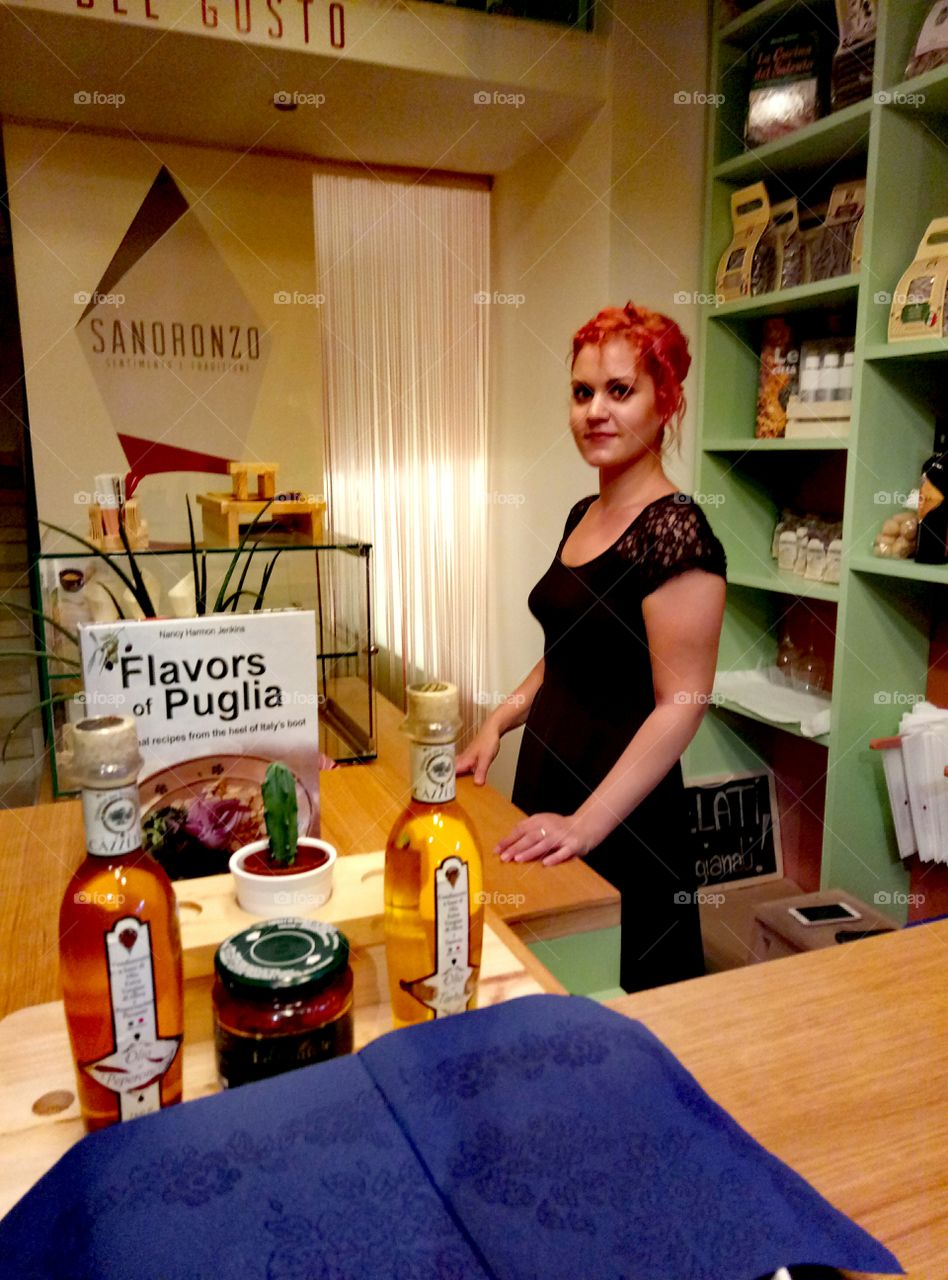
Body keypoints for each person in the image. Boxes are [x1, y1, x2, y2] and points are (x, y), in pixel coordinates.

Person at [457, 302, 726, 992]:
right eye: (582, 393)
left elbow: (682, 705)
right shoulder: (586, 513)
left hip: (622, 809)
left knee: (615, 1002)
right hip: (549, 777)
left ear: (666, 402)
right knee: (544, 978)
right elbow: (568, 650)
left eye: (619, 390)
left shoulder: (678, 534)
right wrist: (498, 719)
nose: (595, 411)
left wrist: (586, 824)